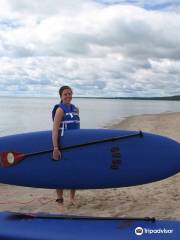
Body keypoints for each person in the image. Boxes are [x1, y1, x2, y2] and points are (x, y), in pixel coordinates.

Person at [52, 86, 80, 205]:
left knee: (74, 172)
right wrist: (55, 147)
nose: (68, 96)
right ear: (61, 96)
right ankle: (60, 198)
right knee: (60, 172)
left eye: (69, 93)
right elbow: (54, 130)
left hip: (75, 146)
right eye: (65, 94)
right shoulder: (60, 110)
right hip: (63, 146)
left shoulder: (76, 109)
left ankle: (72, 198)